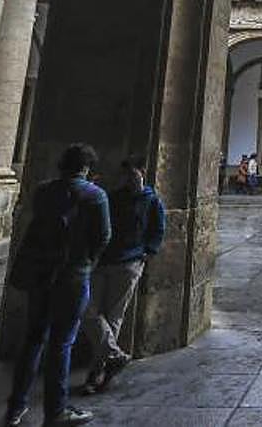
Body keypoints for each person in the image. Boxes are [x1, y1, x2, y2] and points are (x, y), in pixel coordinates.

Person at [5, 143, 111, 427]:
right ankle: (56, 411)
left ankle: (15, 407)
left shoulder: (43, 191)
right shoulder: (95, 195)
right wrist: (87, 260)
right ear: (87, 167)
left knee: (32, 339)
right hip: (73, 276)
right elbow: (103, 237)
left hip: (40, 274)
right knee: (61, 343)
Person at [81, 155, 165, 395]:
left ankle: (97, 371)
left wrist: (146, 253)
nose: (129, 179)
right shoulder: (112, 197)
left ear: (142, 173)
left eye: (133, 174)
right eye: (125, 174)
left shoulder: (151, 200)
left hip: (129, 262)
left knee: (114, 316)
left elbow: (158, 229)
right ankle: (115, 355)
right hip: (103, 261)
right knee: (89, 310)